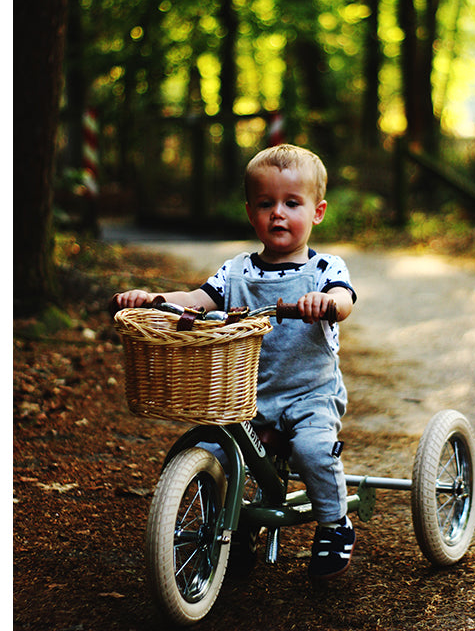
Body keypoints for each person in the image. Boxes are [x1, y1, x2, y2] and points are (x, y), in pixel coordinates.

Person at [112, 144, 357, 580]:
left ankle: (335, 524)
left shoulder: (325, 268)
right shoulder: (237, 270)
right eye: (267, 204)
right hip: (248, 395)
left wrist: (327, 303)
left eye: (291, 203)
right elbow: (196, 299)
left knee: (313, 449)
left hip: (309, 393)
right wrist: (155, 299)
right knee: (215, 452)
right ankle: (233, 524)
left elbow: (344, 299)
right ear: (250, 213)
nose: (278, 213)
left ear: (317, 212)